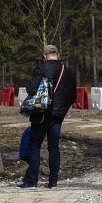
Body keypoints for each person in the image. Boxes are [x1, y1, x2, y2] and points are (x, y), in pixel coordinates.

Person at [18, 44, 77, 190]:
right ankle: (53, 182)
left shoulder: (41, 68)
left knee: (35, 146)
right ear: (58, 55)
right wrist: (62, 110)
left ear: (44, 56)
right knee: (54, 147)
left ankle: (31, 181)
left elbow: (31, 89)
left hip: (41, 112)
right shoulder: (67, 71)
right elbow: (73, 96)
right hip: (58, 115)